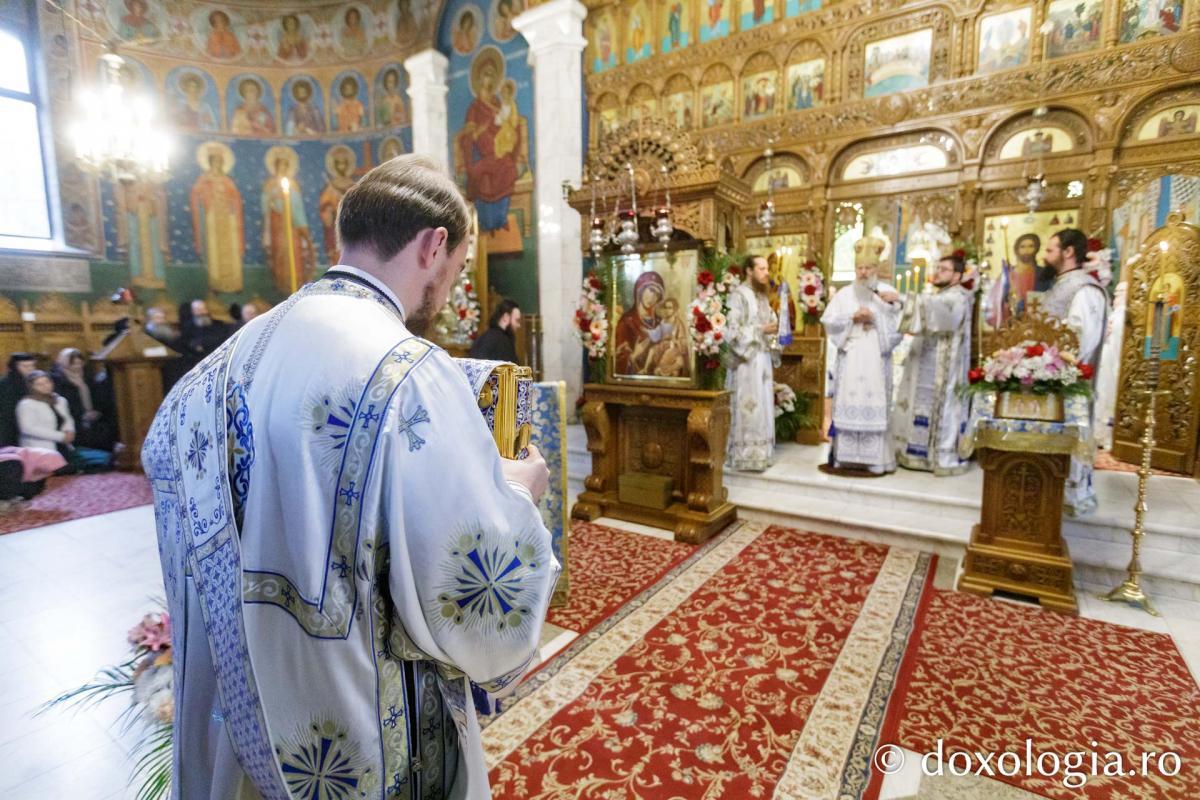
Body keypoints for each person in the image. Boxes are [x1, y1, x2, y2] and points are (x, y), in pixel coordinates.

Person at [142, 155, 558, 800]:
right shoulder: (407, 371)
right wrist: (518, 496)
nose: (448, 290)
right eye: (455, 269)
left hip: (236, 734)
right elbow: (475, 599)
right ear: (434, 245)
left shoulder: (214, 369)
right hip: (366, 739)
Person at [821, 238, 903, 474]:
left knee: (874, 402)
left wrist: (875, 318)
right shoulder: (844, 294)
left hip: (875, 357)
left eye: (868, 267)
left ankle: (875, 460)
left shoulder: (887, 293)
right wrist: (852, 318)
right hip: (851, 356)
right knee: (847, 401)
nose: (863, 272)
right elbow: (829, 321)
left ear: (876, 268)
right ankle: (844, 458)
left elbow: (899, 326)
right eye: (859, 267)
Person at [1041, 228, 1107, 516]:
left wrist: (1058, 366)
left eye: (1050, 249)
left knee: (1071, 443)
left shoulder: (1085, 289)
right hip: (1051, 380)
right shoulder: (1062, 285)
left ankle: (1070, 495)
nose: (1045, 255)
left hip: (1069, 383)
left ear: (1068, 252)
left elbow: (1082, 340)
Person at [893, 254, 973, 475]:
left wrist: (901, 298)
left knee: (940, 408)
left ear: (957, 276)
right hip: (926, 362)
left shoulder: (958, 298)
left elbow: (936, 310)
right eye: (937, 268)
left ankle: (939, 456)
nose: (937, 272)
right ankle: (916, 453)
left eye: (944, 269)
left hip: (943, 369)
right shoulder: (943, 295)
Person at [725, 255, 779, 472]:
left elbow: (771, 323)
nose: (767, 273)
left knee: (763, 406)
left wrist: (776, 329)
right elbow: (731, 331)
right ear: (749, 270)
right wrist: (761, 330)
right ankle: (744, 456)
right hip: (746, 363)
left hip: (763, 360)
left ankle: (762, 453)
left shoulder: (763, 297)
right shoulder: (738, 295)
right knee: (748, 407)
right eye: (761, 269)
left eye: (767, 269)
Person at [17, 371, 111, 473]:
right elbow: (28, 428)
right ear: (32, 387)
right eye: (39, 384)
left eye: (47, 382)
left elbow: (67, 419)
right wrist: (61, 436)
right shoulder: (26, 404)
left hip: (64, 445)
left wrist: (70, 431)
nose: (45, 386)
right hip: (43, 448)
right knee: (72, 466)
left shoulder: (60, 400)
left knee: (104, 458)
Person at [51, 348, 116, 452]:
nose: (78, 366)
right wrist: (82, 414)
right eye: (73, 364)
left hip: (94, 419)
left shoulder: (87, 376)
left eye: (79, 363)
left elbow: (98, 396)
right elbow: (63, 402)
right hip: (74, 421)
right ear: (65, 363)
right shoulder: (57, 380)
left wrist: (97, 411)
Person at [0, 354, 37, 447]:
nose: (30, 369)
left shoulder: (35, 383)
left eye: (32, 365)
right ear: (14, 367)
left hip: (33, 429)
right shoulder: (4, 384)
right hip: (9, 429)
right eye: (25, 366)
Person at [468, 298, 521, 362]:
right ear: (506, 317)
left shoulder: (484, 337)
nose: (519, 325)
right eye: (517, 320)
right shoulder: (502, 342)